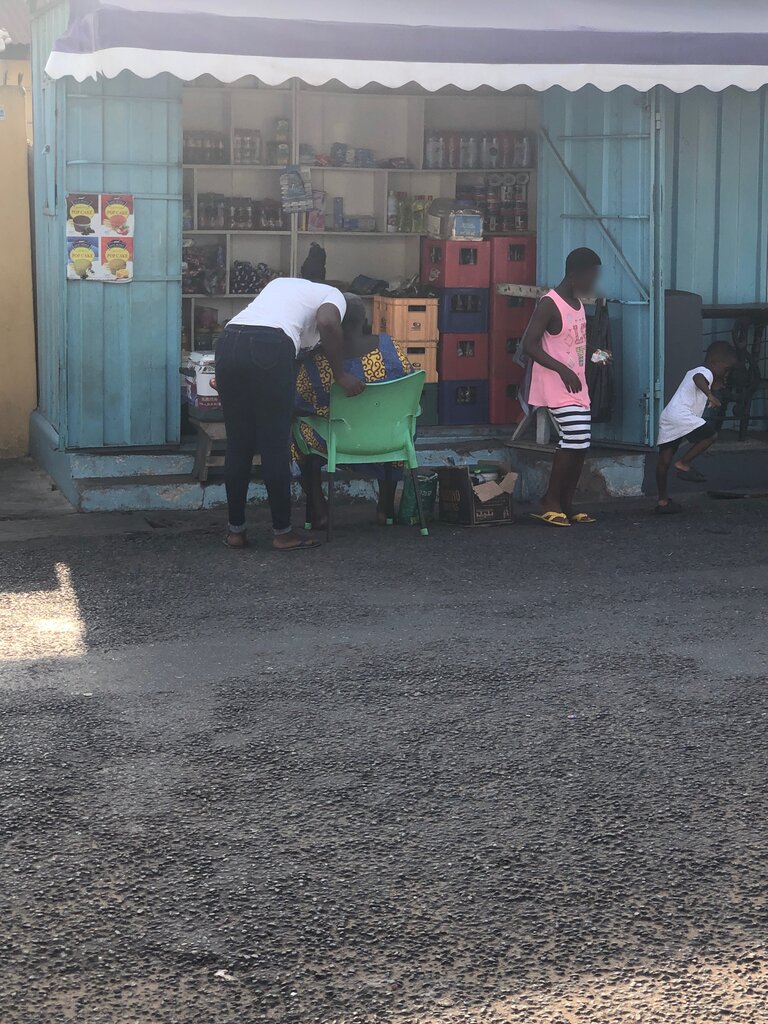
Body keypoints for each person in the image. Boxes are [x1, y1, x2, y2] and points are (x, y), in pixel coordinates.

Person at [214, 278, 365, 550]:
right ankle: (282, 533)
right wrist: (340, 374)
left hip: (228, 343)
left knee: (238, 445)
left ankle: (236, 532)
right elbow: (328, 323)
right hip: (270, 344)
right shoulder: (335, 297)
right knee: (274, 446)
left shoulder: (284, 285)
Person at [293, 332, 414, 529]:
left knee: (296, 437)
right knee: (397, 424)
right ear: (364, 321)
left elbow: (298, 404)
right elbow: (408, 382)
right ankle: (386, 507)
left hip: (336, 442)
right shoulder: (390, 347)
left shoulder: (315, 360)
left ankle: (320, 510)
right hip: (387, 438)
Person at [522, 247, 603, 527]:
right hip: (555, 384)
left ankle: (566, 503)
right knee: (575, 438)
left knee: (581, 444)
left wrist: (595, 353)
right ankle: (551, 501)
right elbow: (529, 344)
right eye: (591, 277)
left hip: (575, 384)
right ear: (574, 275)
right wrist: (562, 369)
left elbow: (574, 343)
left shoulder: (578, 305)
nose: (593, 284)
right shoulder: (549, 303)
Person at [655, 341, 737, 515]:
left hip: (669, 417)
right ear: (714, 363)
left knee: (664, 461)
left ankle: (662, 501)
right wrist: (710, 395)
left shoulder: (700, 373)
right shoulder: (703, 372)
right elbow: (698, 379)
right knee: (711, 435)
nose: (726, 373)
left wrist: (715, 386)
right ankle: (684, 463)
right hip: (681, 416)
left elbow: (701, 382)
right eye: (726, 368)